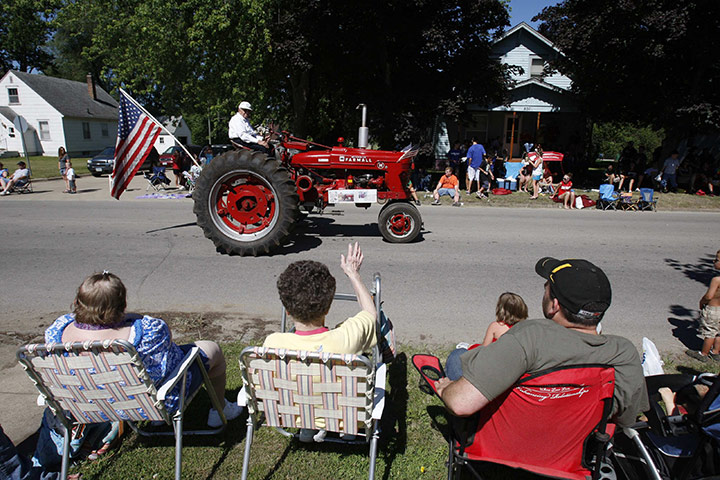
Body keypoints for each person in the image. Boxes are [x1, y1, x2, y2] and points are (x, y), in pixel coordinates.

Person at [435, 257, 649, 428]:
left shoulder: (529, 336)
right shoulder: (623, 353)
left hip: (512, 440)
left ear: (554, 305)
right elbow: (626, 419)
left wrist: (446, 388)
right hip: (574, 448)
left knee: (456, 358)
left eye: (546, 287)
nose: (544, 291)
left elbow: (461, 404)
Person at [43, 272, 242, 431]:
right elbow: (165, 363)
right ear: (122, 305)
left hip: (87, 405)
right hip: (148, 404)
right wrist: (132, 316)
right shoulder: (145, 333)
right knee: (210, 348)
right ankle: (219, 410)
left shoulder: (56, 334)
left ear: (78, 302)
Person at [263, 243, 376, 442]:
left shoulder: (273, 344)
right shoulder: (346, 338)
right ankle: (348, 431)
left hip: (294, 413)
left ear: (287, 310)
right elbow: (370, 313)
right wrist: (353, 274)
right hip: (344, 415)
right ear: (328, 308)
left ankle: (307, 427)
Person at [445, 293, 528, 381]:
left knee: (457, 354)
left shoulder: (496, 326)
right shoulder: (525, 328)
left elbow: (484, 349)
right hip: (509, 368)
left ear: (500, 309)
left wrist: (470, 347)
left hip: (491, 364)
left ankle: (455, 383)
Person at [686, 250, 720, 363]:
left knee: (710, 333)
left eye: (717, 260)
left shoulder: (716, 280)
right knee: (719, 332)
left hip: (713, 310)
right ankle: (715, 352)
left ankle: (703, 353)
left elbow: (709, 296)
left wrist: (702, 301)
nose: (714, 261)